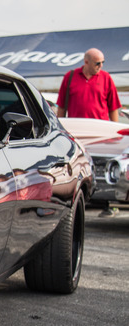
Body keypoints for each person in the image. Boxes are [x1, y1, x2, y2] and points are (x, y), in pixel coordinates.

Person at [55, 48, 122, 217]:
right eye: (97, 63)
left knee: (103, 169)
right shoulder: (70, 77)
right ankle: (78, 200)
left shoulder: (106, 79)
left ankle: (109, 203)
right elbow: (61, 107)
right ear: (86, 62)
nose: (100, 66)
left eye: (102, 63)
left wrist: (115, 132)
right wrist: (59, 129)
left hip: (101, 135)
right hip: (77, 133)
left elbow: (113, 107)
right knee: (79, 167)